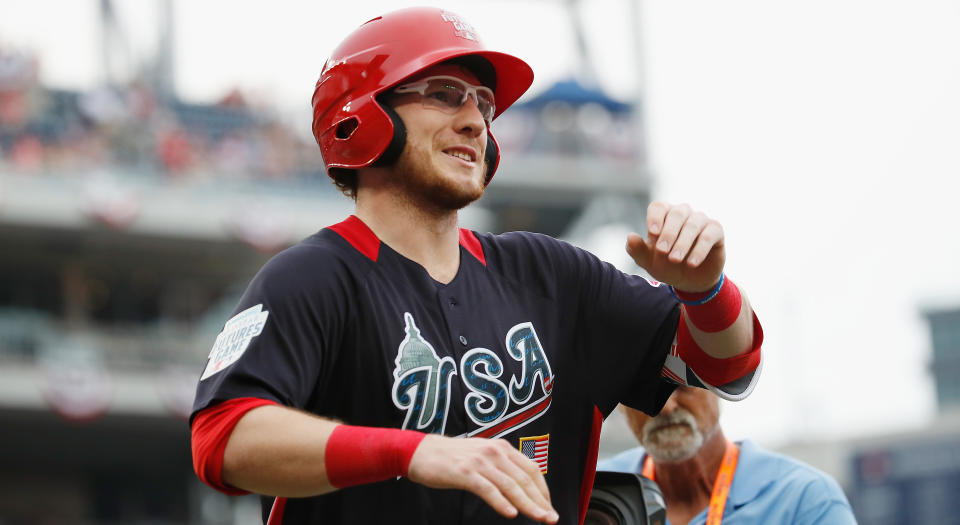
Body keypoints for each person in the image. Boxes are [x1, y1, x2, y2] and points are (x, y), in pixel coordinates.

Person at [189, 7, 764, 525]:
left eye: (483, 105)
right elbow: (222, 438)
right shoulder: (311, 279)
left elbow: (728, 364)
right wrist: (412, 451)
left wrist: (704, 289)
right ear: (362, 117)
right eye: (444, 94)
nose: (476, 121)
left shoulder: (550, 274)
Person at [599, 387, 857, 524]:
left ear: (717, 384)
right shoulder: (591, 493)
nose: (666, 407)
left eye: (680, 385)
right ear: (620, 404)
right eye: (644, 392)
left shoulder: (805, 500)